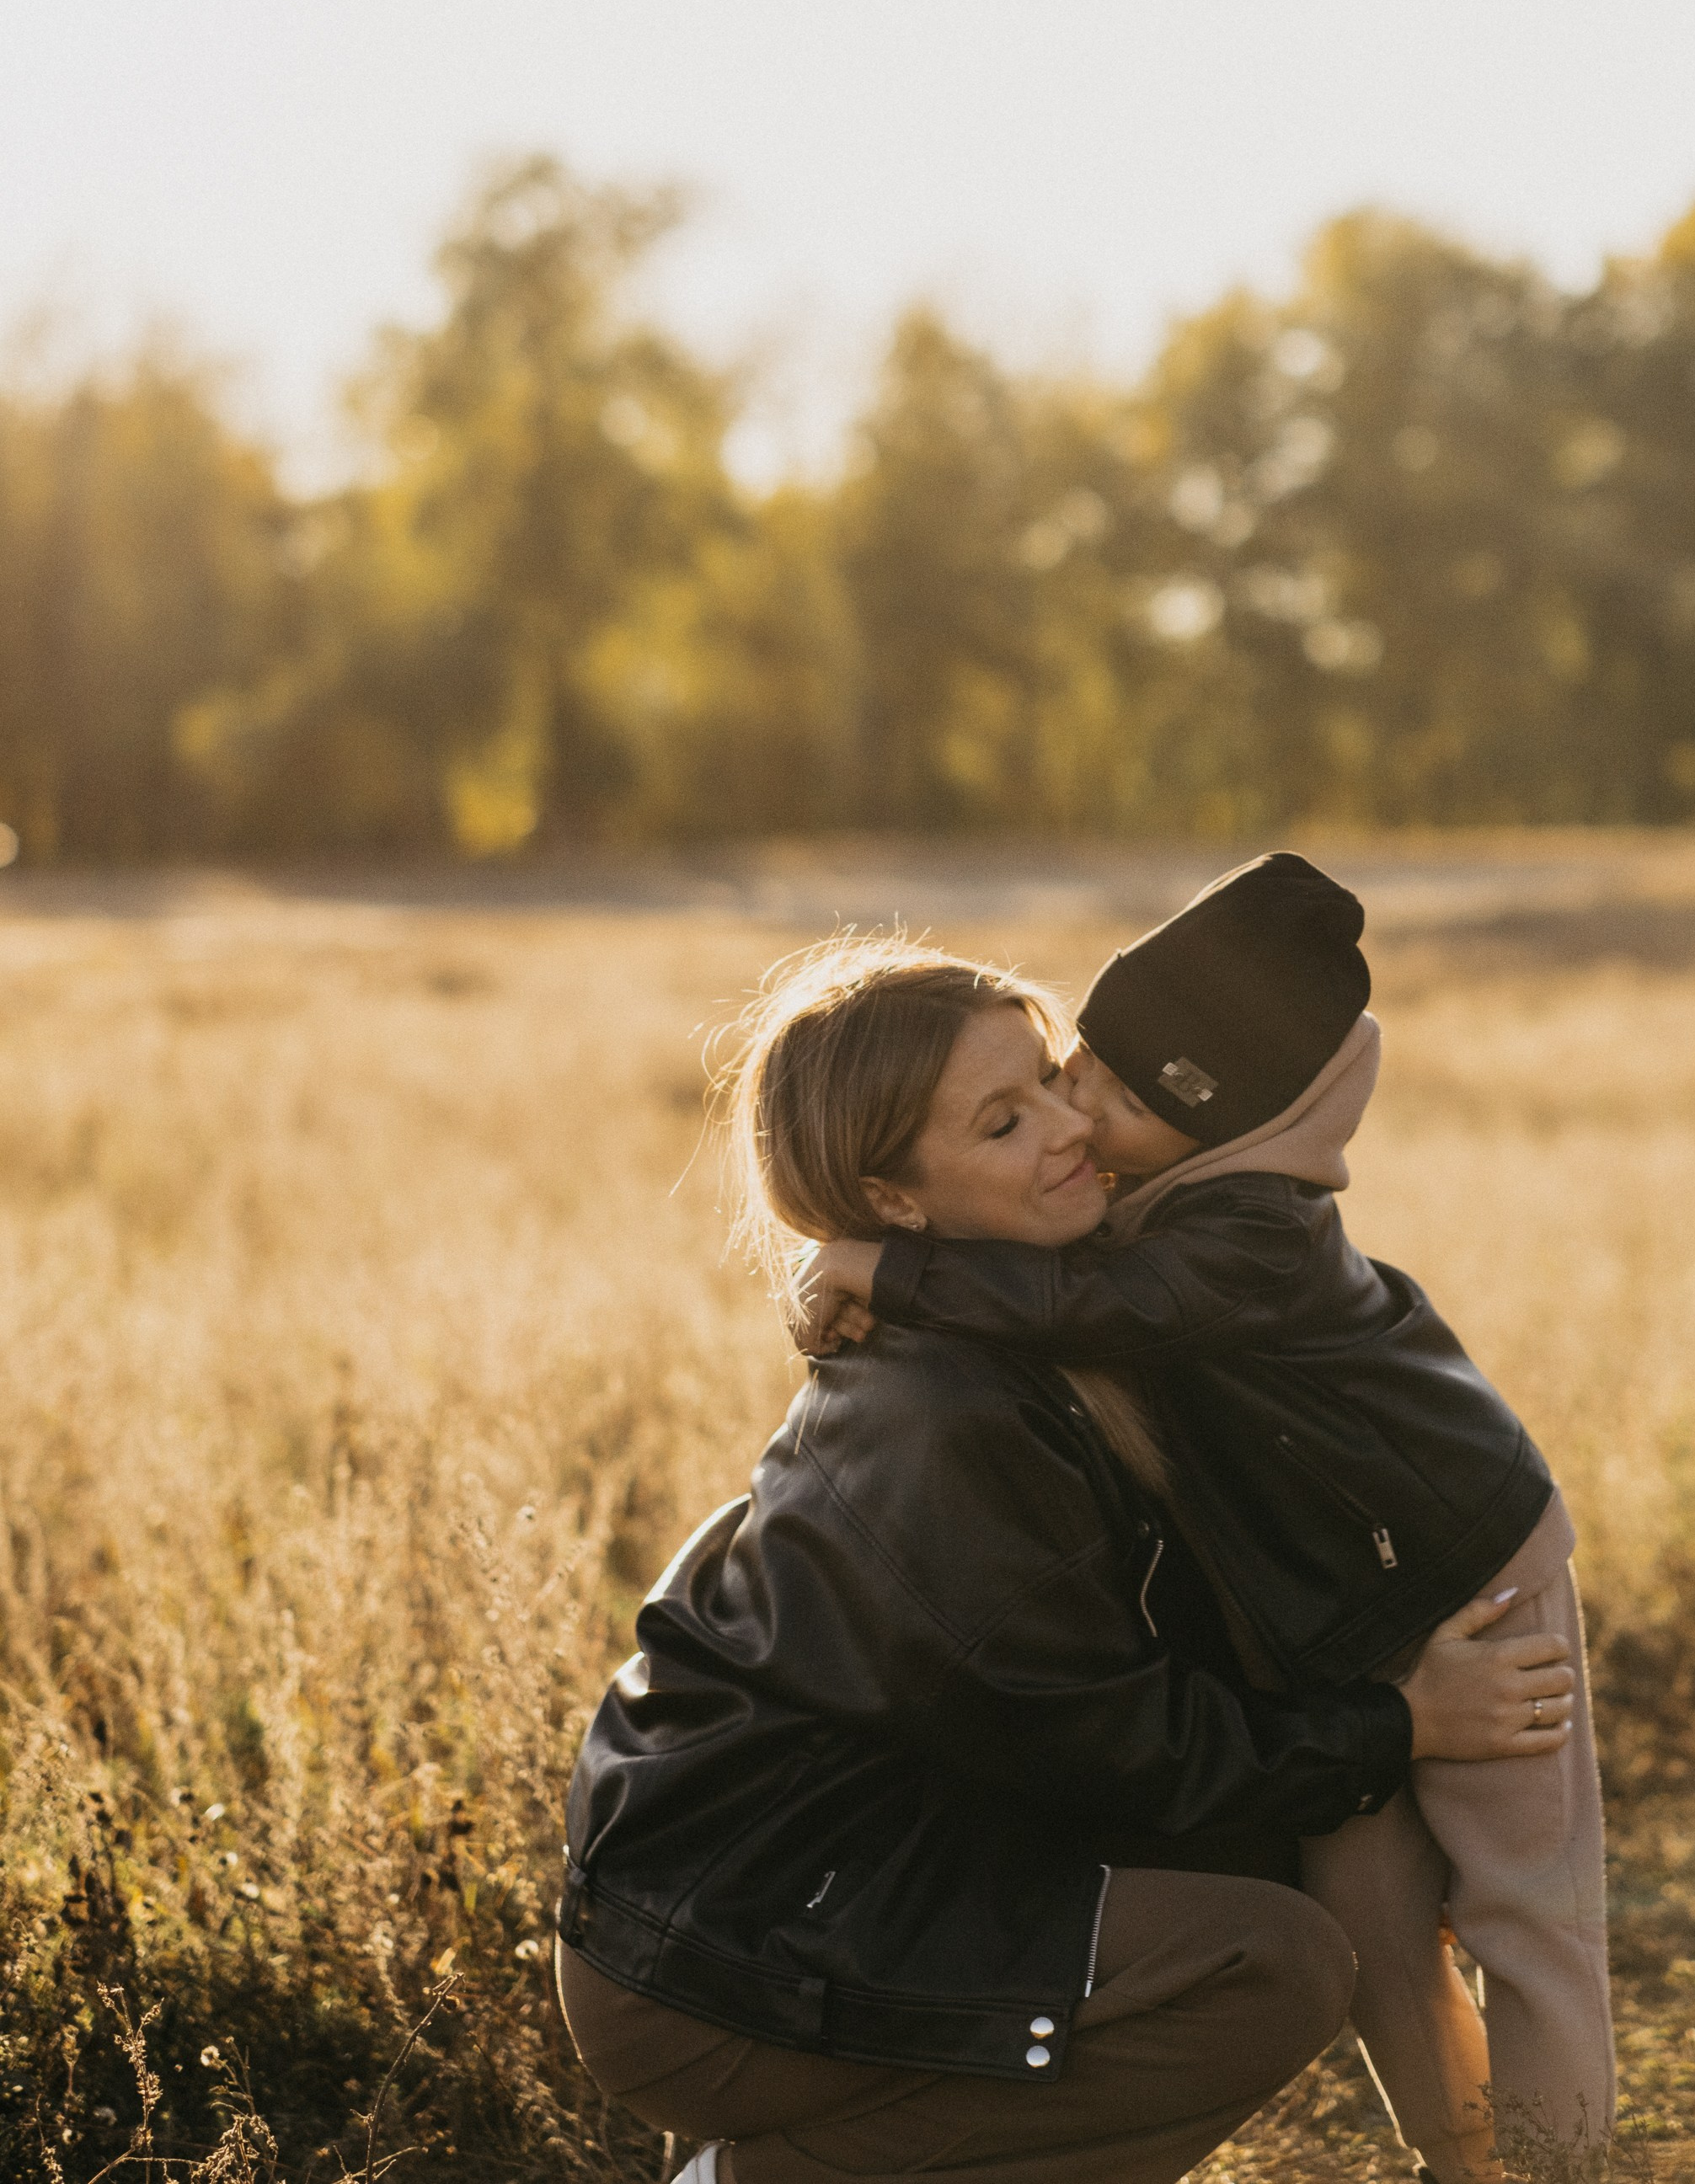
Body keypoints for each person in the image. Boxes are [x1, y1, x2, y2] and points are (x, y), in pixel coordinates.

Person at [557, 936, 1579, 2184]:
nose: (1066, 1125)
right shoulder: (945, 1412)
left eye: (1050, 1078)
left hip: (880, 1867)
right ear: (893, 1202)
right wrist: (1396, 1723)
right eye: (1002, 1123)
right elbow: (1120, 1745)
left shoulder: (1087, 1295)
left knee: (1269, 1863)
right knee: (1271, 1964)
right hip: (725, 1945)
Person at [807, 857, 1615, 2183]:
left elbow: (1096, 1315)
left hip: (1471, 1571)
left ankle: (1564, 2167)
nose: (1076, 1109)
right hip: (1325, 1613)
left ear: (1223, 1122)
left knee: (1528, 1907)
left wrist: (878, 1267)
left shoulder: (1254, 1231)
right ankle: (1464, 2160)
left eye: (1121, 1100)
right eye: (1080, 1066)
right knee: (1365, 1915)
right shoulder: (1139, 1193)